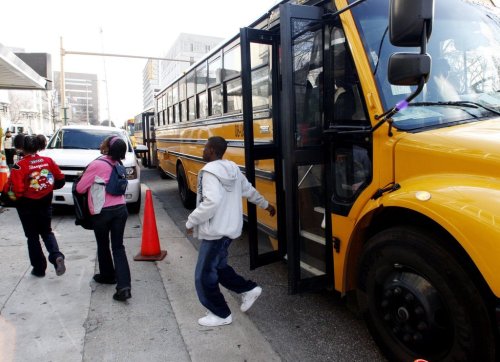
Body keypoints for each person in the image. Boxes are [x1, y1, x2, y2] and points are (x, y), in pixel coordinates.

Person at [186, 136, 276, 327]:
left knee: (203, 274)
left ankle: (220, 314)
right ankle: (248, 289)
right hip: (229, 230)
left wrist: (191, 221)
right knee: (219, 268)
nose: (203, 151)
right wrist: (266, 205)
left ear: (211, 150)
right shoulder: (233, 169)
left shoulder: (208, 172)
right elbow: (249, 190)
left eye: (205, 148)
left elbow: (211, 201)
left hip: (215, 232)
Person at [76, 136, 132, 302]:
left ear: (107, 147)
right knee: (118, 247)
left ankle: (108, 275)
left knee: (102, 244)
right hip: (121, 210)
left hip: (102, 212)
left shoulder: (97, 164)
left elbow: (80, 189)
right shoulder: (119, 165)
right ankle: (124, 287)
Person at [9, 135, 66, 277]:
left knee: (32, 237)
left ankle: (39, 269)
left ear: (23, 148)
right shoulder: (48, 161)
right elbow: (60, 179)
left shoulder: (19, 166)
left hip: (27, 205)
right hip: (45, 202)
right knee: (47, 232)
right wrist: (47, 189)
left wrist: (15, 200)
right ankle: (56, 255)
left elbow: (17, 190)